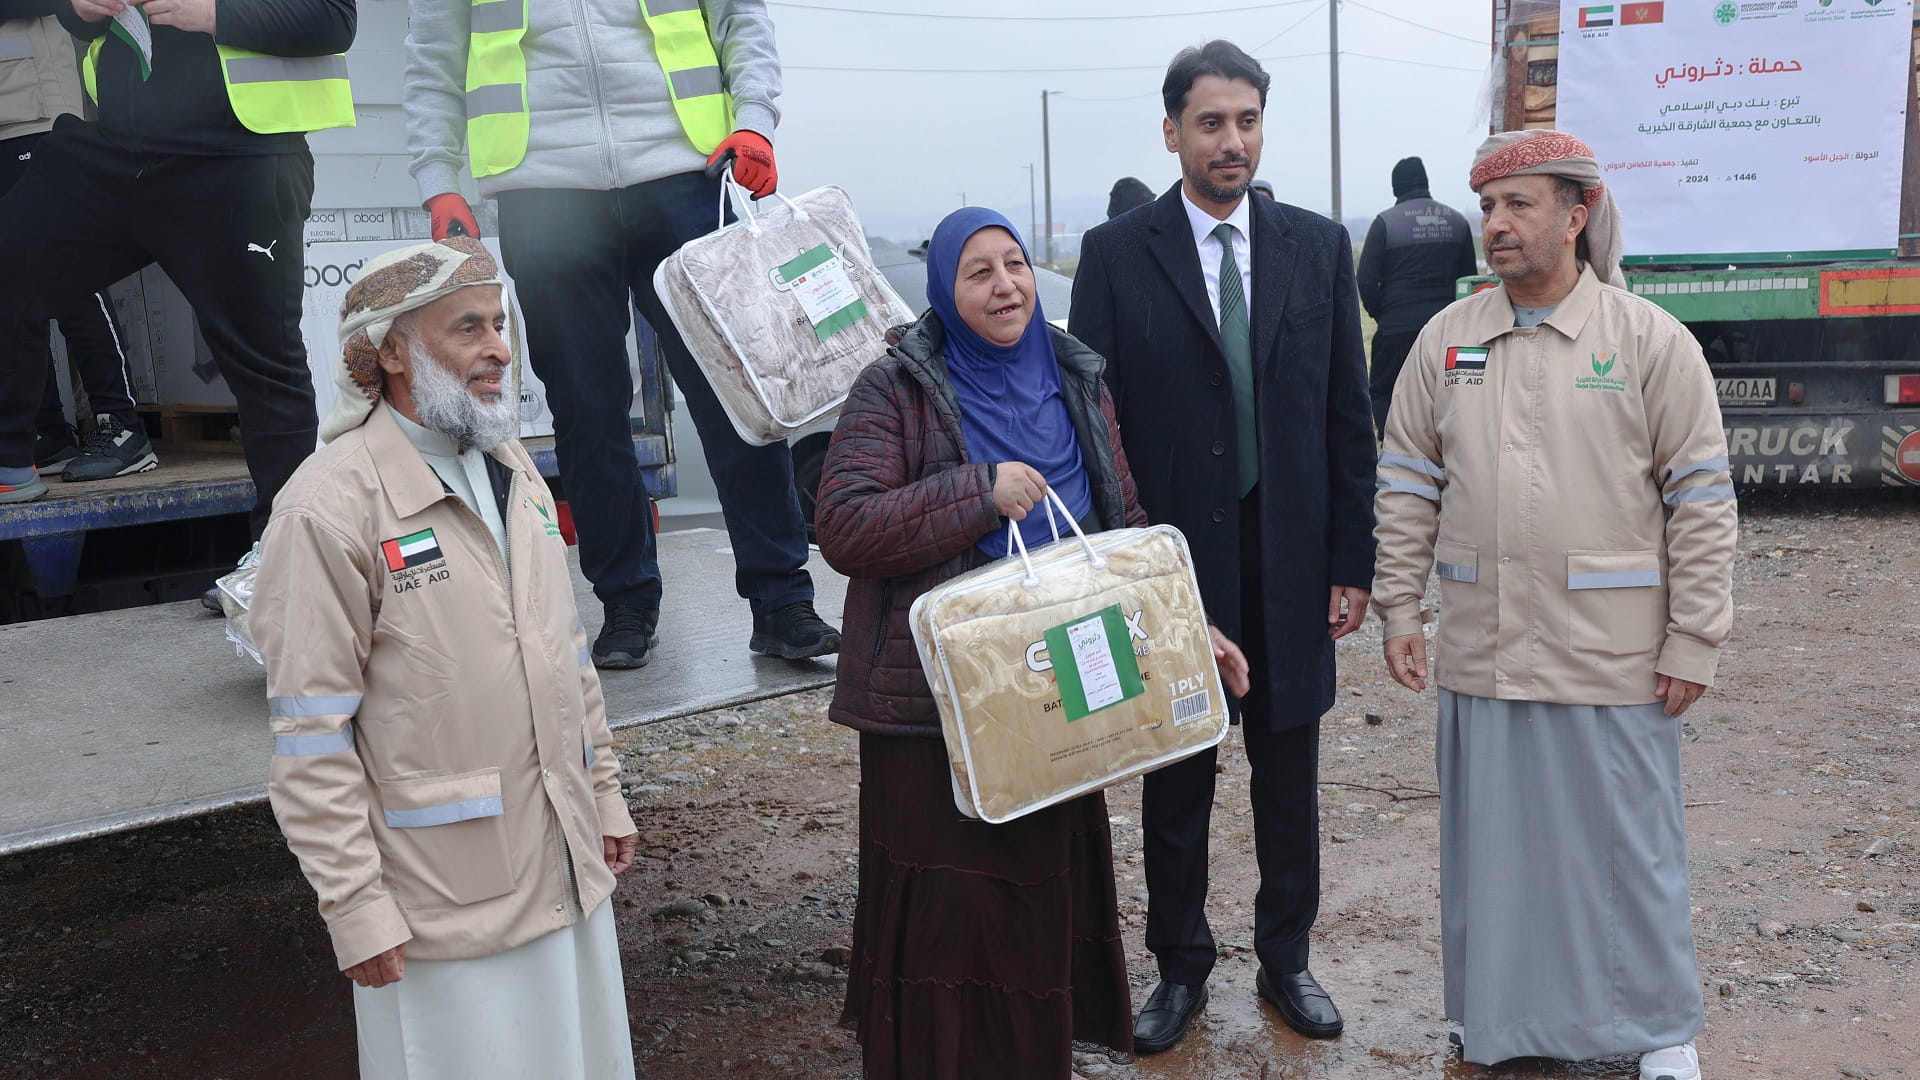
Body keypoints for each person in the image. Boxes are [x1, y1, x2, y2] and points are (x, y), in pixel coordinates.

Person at [818, 207, 1249, 1080]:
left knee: (1031, 893)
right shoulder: (895, 386)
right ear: (944, 289)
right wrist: (978, 491)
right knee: (951, 904)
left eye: (1014, 264)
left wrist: (1182, 625)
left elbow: (1120, 525)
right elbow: (846, 525)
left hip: (1046, 691)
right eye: (978, 272)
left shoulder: (1072, 373)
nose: (1006, 284)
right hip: (935, 703)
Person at [1373, 130, 1735, 1080]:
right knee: (1494, 853)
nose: (1495, 224)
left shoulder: (1648, 341)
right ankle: (1499, 1021)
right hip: (1484, 644)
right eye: (1487, 206)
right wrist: (1400, 611)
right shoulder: (1446, 342)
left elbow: (1700, 498)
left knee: (1628, 852)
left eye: (1518, 205)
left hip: (1611, 650)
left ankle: (1659, 1030)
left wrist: (1695, 636)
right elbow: (1407, 482)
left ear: (1577, 213)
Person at [252, 237, 640, 1079]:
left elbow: (567, 657)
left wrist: (604, 796)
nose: (500, 347)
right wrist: (356, 910)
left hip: (564, 867)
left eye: (500, 324)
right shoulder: (328, 507)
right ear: (389, 352)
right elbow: (311, 738)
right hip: (442, 907)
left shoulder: (513, 472)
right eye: (469, 327)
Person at [1068, 40, 1377, 1053]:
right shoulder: (1117, 254)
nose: (1231, 141)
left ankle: (1287, 960)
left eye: (1246, 121)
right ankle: (1179, 968)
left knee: (1290, 782)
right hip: (1173, 572)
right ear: (1172, 132)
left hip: (1290, 559)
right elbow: (1095, 427)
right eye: (1211, 123)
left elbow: (1346, 415)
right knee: (1179, 782)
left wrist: (1351, 561)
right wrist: (1120, 571)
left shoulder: (1317, 247)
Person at [404, 0, 839, 669]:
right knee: (586, 410)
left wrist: (753, 122)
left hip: (684, 175)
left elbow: (740, 16)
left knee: (735, 396)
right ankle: (626, 604)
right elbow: (432, 60)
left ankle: (782, 601)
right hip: (543, 193)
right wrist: (439, 181)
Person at [0, 0, 351, 552]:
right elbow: (77, 24)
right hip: (116, 148)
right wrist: (80, 9)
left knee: (263, 360)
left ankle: (284, 558)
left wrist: (213, 12)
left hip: (238, 157)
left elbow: (333, 18)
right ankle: (9, 461)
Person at [0, 0, 155, 499]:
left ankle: (121, 421)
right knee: (12, 281)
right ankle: (43, 432)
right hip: (13, 106)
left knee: (63, 276)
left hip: (31, 108)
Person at [1356, 155, 1477, 434]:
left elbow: (1365, 280)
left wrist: (1383, 314)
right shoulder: (1458, 222)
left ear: (1396, 187)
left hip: (1397, 330)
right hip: (1449, 332)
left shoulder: (1385, 223)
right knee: (1451, 396)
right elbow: (1470, 280)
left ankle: (1395, 453)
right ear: (1425, 181)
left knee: (1385, 393)